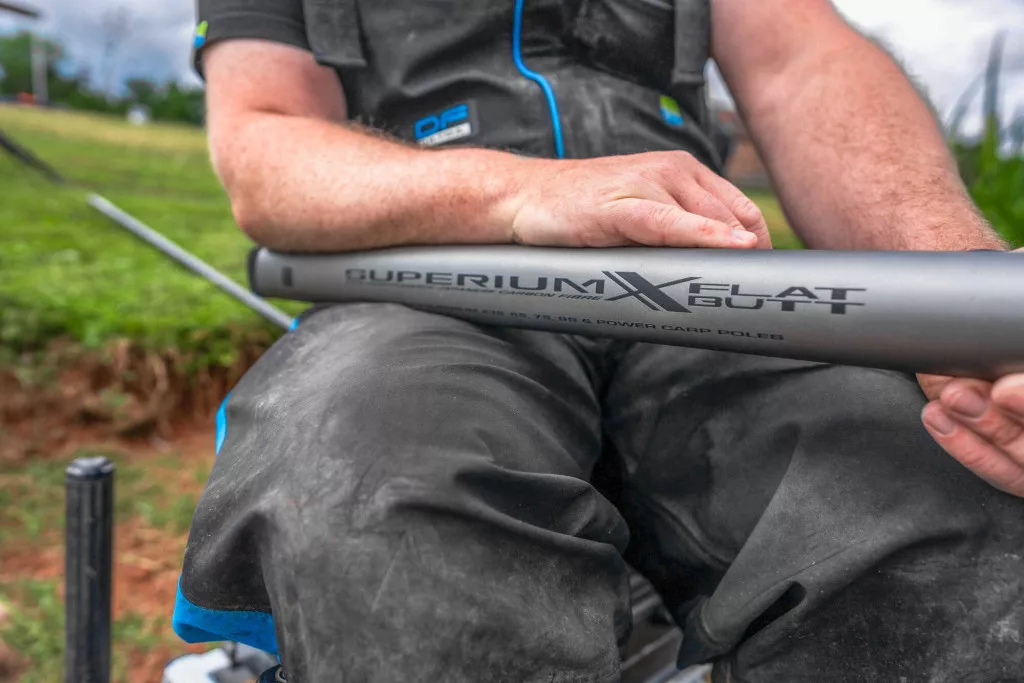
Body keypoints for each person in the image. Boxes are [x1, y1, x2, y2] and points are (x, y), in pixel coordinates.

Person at [173, 1, 1024, 681]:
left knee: (937, 483)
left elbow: (803, 65)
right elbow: (263, 141)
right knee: (379, 482)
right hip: (424, 282)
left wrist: (968, 305)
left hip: (699, 282)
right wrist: (518, 193)